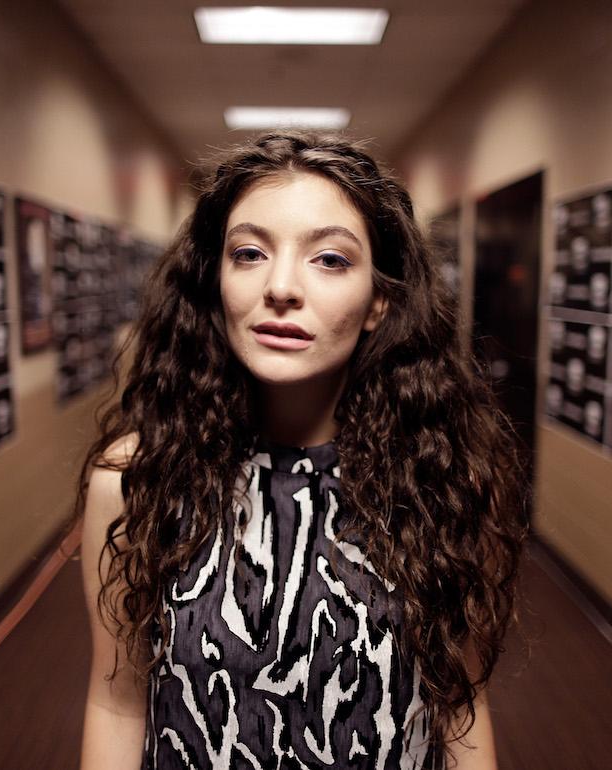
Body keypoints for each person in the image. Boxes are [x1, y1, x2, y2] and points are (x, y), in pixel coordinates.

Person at [76, 131, 526, 769]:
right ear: (216, 282)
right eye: (250, 252)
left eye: (331, 260)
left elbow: (460, 709)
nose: (281, 286)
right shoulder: (136, 481)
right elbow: (116, 704)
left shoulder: (442, 481)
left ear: (379, 301)